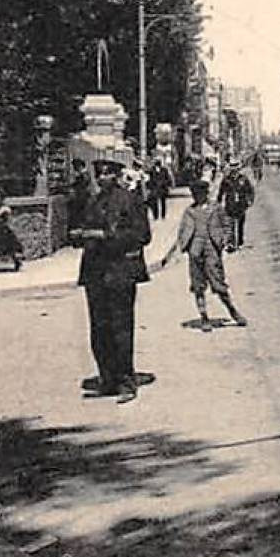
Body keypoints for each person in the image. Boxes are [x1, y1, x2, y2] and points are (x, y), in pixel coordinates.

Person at [71, 159, 153, 403]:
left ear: (117, 176)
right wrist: (79, 236)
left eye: (107, 174)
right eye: (99, 174)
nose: (102, 178)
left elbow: (142, 235)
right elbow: (84, 228)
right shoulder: (93, 202)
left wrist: (106, 236)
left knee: (121, 328)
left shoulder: (130, 200)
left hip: (120, 271)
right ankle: (107, 379)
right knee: (99, 328)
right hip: (95, 272)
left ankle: (127, 382)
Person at [160, 178, 246, 332]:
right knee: (198, 285)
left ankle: (233, 311)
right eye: (195, 194)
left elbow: (227, 224)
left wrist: (226, 241)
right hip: (195, 250)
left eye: (200, 194)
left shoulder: (216, 208)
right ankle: (204, 317)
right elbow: (182, 231)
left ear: (206, 194)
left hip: (212, 249)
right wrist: (183, 246)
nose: (197, 197)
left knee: (218, 283)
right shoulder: (190, 211)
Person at [218, 165, 254, 248]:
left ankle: (240, 241)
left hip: (241, 204)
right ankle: (232, 243)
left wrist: (250, 200)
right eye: (232, 167)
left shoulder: (243, 179)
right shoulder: (226, 179)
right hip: (230, 204)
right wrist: (219, 201)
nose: (234, 170)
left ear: (238, 169)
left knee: (240, 224)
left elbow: (250, 190)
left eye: (236, 168)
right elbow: (221, 191)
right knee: (230, 224)